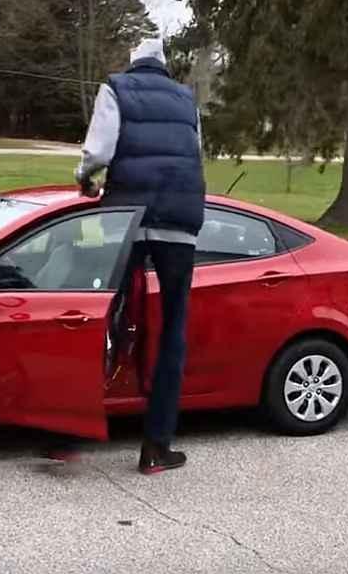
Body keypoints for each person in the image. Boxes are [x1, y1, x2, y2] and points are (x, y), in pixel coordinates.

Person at [75, 38, 206, 474]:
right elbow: (196, 154)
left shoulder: (116, 88)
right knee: (173, 330)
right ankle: (156, 447)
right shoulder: (188, 99)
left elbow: (98, 151)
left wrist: (85, 179)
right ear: (165, 66)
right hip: (179, 222)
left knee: (101, 315)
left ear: (132, 64)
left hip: (127, 217)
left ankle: (72, 430)